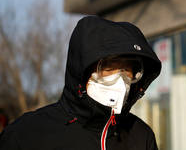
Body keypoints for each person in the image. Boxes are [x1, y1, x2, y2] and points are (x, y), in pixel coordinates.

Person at [0, 16, 162, 150]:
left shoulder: (140, 137)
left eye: (128, 71)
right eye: (109, 68)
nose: (120, 80)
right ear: (82, 70)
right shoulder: (27, 135)